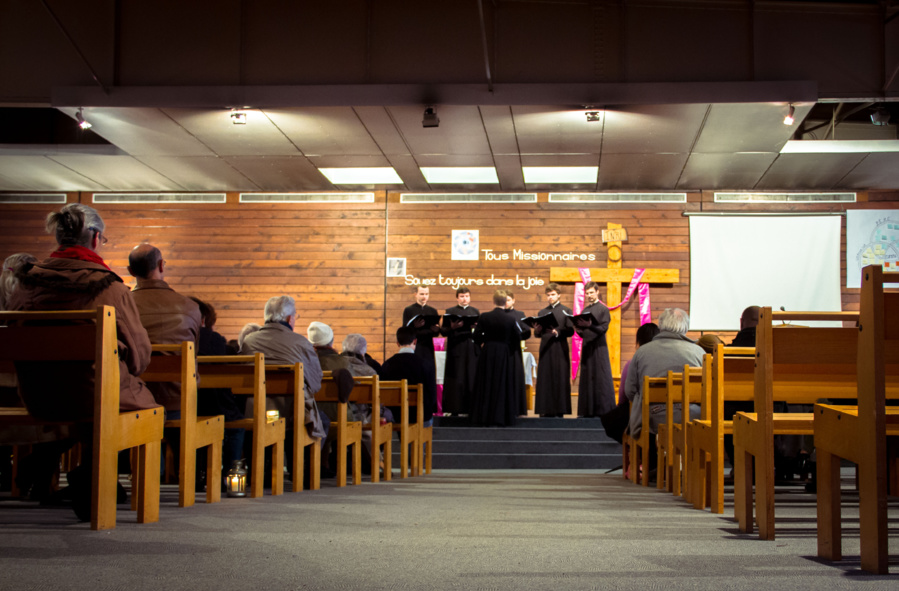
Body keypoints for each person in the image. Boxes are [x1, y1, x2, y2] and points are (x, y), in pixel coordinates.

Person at [9, 203, 158, 520]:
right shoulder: (109, 286)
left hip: (36, 394)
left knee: (86, 399)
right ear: (95, 237)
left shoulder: (24, 283)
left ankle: (63, 467)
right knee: (129, 403)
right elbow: (139, 352)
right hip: (90, 393)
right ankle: (91, 477)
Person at [239, 296, 329, 479]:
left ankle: (260, 471)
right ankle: (301, 472)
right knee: (318, 418)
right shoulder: (300, 342)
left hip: (255, 409)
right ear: (290, 319)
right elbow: (315, 383)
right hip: (292, 412)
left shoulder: (249, 341)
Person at [128, 243, 202, 412]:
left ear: (131, 271)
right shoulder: (190, 307)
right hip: (180, 402)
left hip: (136, 401)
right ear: (161, 265)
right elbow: (193, 355)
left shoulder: (122, 306)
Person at [188, 297, 246, 483]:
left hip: (183, 403)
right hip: (212, 403)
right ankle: (230, 475)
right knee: (237, 426)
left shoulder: (178, 336)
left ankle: (195, 476)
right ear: (204, 319)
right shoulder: (214, 339)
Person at [624, 308, 704, 438]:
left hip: (653, 418)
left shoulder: (642, 352)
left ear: (661, 326)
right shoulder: (699, 352)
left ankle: (653, 457)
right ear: (685, 327)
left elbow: (630, 391)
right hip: (692, 416)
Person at [471, 290, 526, 426]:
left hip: (488, 352)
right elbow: (517, 338)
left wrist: (487, 339)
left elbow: (476, 337)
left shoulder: (484, 317)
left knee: (487, 383)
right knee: (502, 384)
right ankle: (502, 417)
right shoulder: (510, 319)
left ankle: (484, 417)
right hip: (504, 353)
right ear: (504, 302)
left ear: (493, 301)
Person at [602, 322, 659, 445]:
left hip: (639, 412)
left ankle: (633, 450)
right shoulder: (664, 361)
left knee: (610, 420)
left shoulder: (633, 362)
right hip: (665, 412)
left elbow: (624, 394)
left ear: (639, 341)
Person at [573, 281, 615, 418]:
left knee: (600, 378)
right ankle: (587, 411)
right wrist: (578, 329)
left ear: (597, 292)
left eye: (591, 292)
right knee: (587, 378)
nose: (589, 295)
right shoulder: (585, 311)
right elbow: (583, 333)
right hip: (587, 347)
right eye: (587, 293)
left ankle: (602, 410)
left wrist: (590, 325)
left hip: (599, 348)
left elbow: (603, 329)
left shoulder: (603, 309)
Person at [379, 326, 437, 426]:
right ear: (415, 341)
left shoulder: (387, 365)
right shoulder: (425, 364)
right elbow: (431, 393)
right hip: (421, 415)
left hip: (396, 415)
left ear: (397, 343)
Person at [533, 283, 574, 418]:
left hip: (559, 348)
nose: (550, 297)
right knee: (545, 378)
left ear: (558, 295)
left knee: (560, 377)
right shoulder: (542, 312)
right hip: (545, 349)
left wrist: (558, 331)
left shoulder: (566, 310)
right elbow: (538, 334)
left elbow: (570, 331)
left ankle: (559, 410)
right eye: (548, 295)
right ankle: (544, 409)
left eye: (553, 295)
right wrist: (537, 331)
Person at [440, 286, 479, 416]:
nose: (464, 299)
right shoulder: (450, 311)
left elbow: (480, 332)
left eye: (467, 296)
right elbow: (443, 331)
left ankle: (471, 409)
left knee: (470, 378)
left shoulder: (475, 311)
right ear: (457, 298)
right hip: (455, 349)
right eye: (462, 296)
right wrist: (452, 327)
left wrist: (475, 327)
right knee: (456, 380)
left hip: (470, 349)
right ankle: (454, 409)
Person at [402, 284, 440, 383]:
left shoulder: (433, 311)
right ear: (416, 294)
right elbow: (405, 330)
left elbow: (435, 333)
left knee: (428, 373)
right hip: (414, 346)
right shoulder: (409, 310)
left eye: (427, 294)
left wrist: (436, 330)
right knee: (415, 373)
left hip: (428, 347)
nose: (424, 297)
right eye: (422, 294)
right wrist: (415, 327)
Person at [504, 290, 530, 414]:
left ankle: (516, 408)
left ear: (514, 300)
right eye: (504, 300)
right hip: (502, 351)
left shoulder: (520, 314)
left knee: (515, 378)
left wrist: (519, 334)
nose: (506, 302)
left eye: (508, 300)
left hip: (514, 351)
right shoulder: (499, 314)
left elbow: (527, 332)